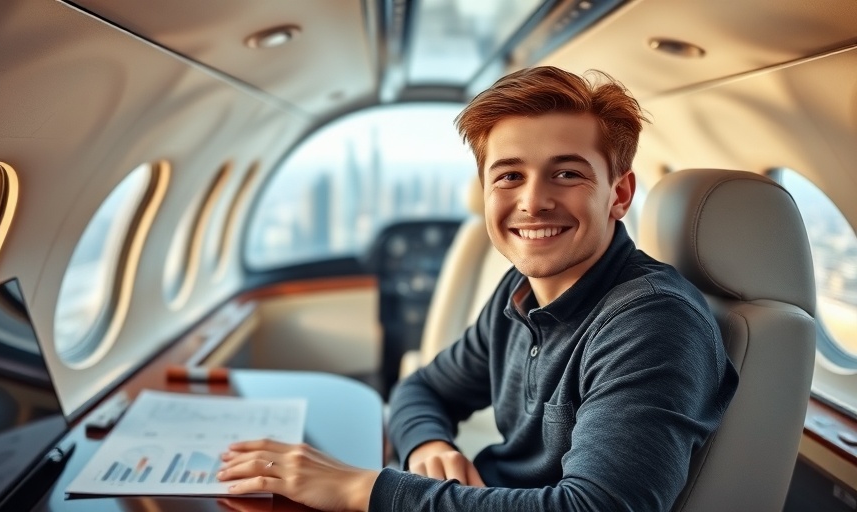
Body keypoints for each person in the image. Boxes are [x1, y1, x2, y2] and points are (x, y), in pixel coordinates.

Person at [215, 66, 739, 512]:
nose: (533, 201)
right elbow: (423, 389)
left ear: (618, 194)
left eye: (566, 174)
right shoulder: (522, 292)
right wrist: (428, 445)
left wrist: (360, 488)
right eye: (509, 176)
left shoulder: (653, 321)